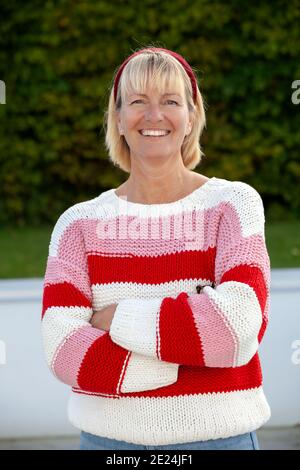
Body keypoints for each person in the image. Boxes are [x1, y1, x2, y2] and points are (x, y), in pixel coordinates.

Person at [41, 46, 271, 451]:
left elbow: (234, 328)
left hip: (219, 441)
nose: (153, 116)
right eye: (137, 102)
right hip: (107, 445)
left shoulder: (233, 205)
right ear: (118, 118)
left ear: (191, 116)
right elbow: (62, 349)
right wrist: (186, 349)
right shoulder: (78, 224)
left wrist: (116, 319)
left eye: (170, 101)